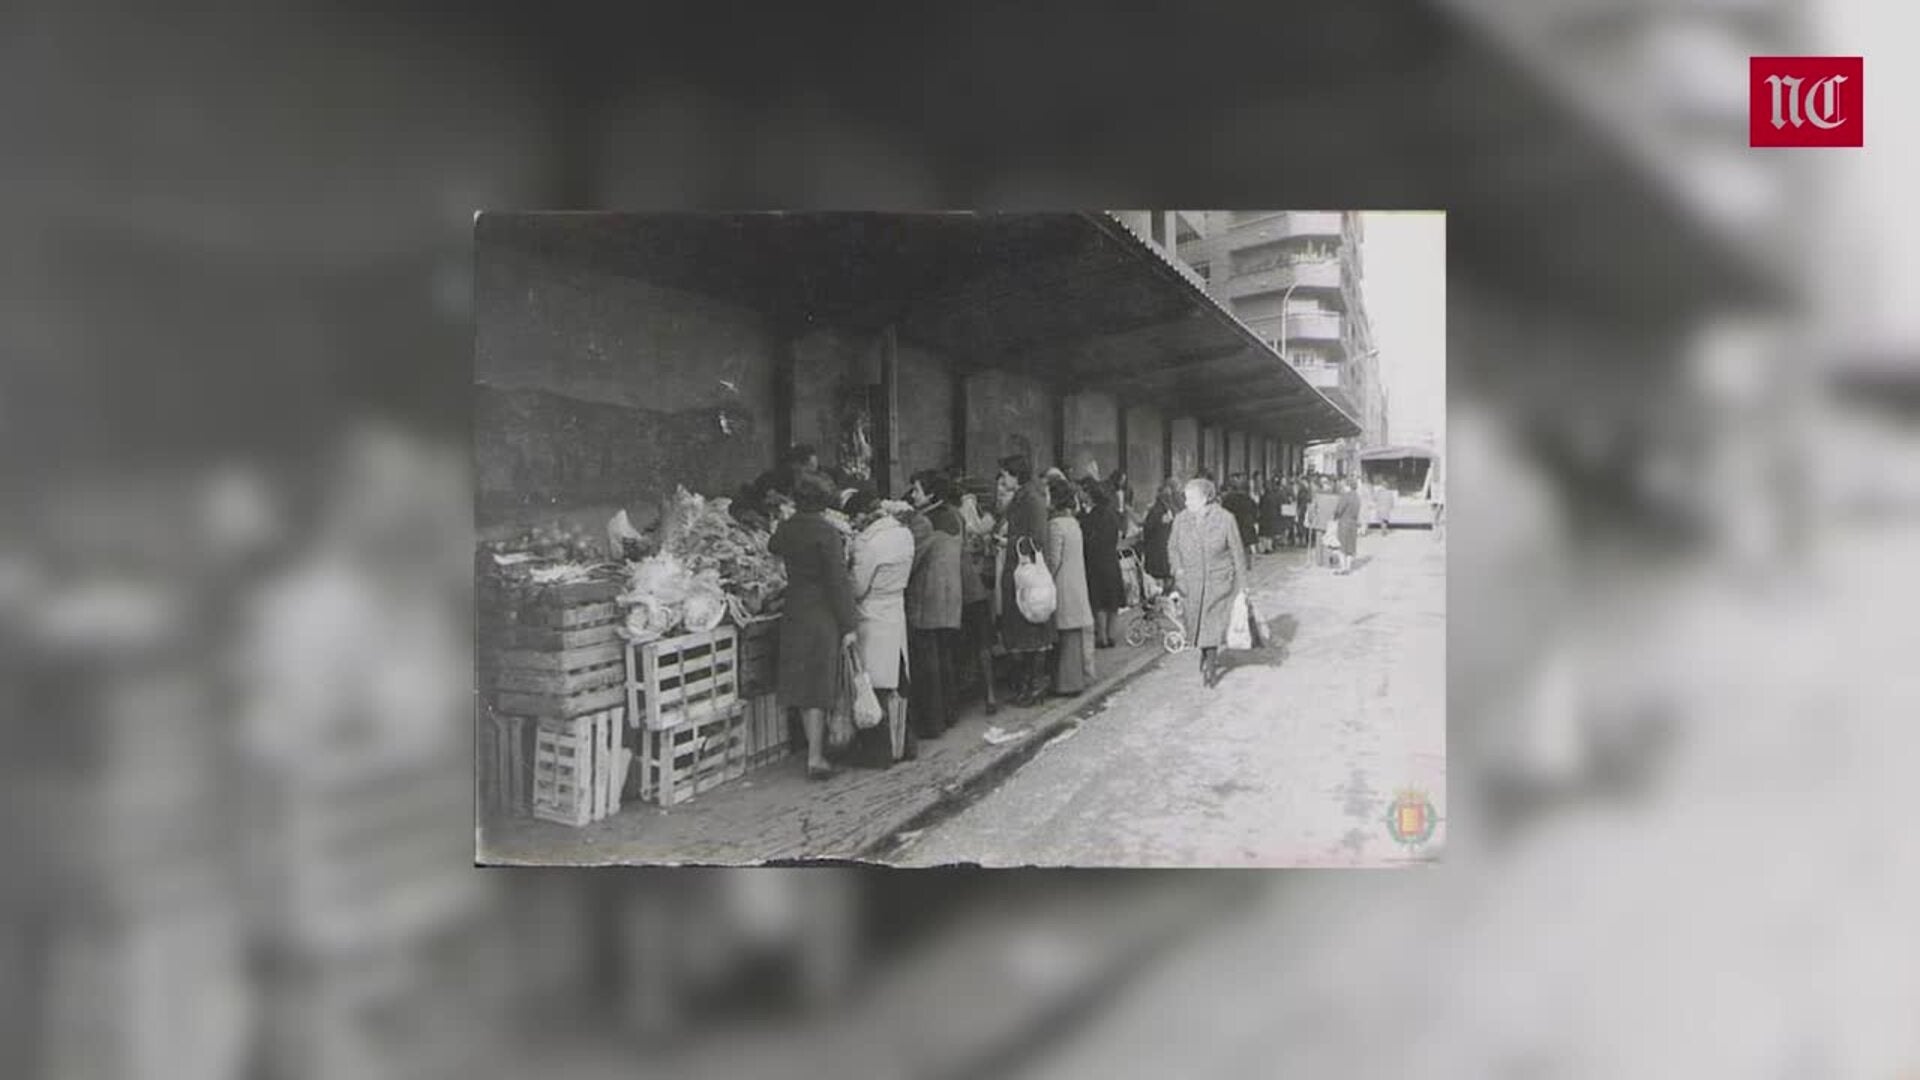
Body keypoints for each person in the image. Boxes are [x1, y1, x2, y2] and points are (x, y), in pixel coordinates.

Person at [767, 472, 860, 780]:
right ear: (824, 502)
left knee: (804, 685)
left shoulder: (787, 528)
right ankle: (816, 757)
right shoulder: (827, 533)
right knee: (819, 685)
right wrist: (849, 624)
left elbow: (773, 546)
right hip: (822, 614)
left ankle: (814, 751)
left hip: (795, 610)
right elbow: (838, 582)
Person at [846, 490, 917, 765]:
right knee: (898, 681)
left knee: (873, 685)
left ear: (862, 515)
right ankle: (905, 745)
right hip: (895, 610)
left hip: (872, 615)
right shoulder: (903, 533)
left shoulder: (868, 542)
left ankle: (881, 752)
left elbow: (858, 587)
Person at [1168, 476, 1248, 689]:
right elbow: (1173, 548)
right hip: (1191, 581)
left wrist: (1243, 586)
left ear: (1205, 498)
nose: (1186, 503)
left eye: (1190, 498)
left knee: (1211, 622)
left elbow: (1237, 552)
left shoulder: (1225, 519)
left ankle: (1211, 665)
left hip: (1218, 580)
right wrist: (1178, 570)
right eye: (1185, 499)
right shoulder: (1181, 519)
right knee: (1196, 622)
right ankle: (1205, 653)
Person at [905, 472, 963, 739]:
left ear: (930, 495)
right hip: (950, 596)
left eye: (916, 490)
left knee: (928, 663)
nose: (912, 495)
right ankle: (950, 714)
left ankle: (932, 723)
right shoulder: (954, 516)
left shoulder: (923, 522)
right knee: (945, 657)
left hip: (927, 597)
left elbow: (910, 560)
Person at [996, 454, 1058, 707]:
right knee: (1022, 634)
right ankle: (1027, 686)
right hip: (1018, 574)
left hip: (1028, 576)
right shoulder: (1022, 498)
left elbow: (1037, 540)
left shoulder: (1032, 500)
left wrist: (1007, 543)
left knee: (1031, 630)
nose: (1002, 480)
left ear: (1016, 475)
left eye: (1005, 475)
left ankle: (1035, 686)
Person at [1046, 477, 1095, 695]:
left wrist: (1045, 579)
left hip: (1063, 585)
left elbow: (1054, 560)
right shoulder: (1073, 524)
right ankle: (1078, 680)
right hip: (1076, 583)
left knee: (1065, 637)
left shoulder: (1055, 525)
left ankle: (1067, 684)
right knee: (1074, 635)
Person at [955, 482, 1000, 715]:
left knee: (963, 644)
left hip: (960, 590)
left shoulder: (954, 520)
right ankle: (989, 694)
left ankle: (965, 693)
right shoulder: (981, 523)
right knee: (983, 643)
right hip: (978, 588)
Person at [1078, 477, 1125, 649]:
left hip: (1095, 562)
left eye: (1081, 492)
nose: (1079, 495)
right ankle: (1111, 636)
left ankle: (1102, 637)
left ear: (1089, 494)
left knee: (1098, 600)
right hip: (1111, 559)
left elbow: (1086, 540)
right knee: (1112, 599)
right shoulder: (1111, 511)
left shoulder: (1091, 516)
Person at [1141, 478, 1180, 592]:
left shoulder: (1156, 510)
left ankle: (1162, 597)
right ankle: (1168, 597)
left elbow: (1148, 527)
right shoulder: (1172, 509)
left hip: (1157, 549)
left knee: (1159, 577)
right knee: (1167, 575)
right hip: (1166, 548)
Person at [1220, 474, 1259, 555]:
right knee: (1245, 549)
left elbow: (1223, 513)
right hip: (1246, 528)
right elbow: (1255, 513)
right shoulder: (1248, 499)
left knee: (1233, 550)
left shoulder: (1228, 499)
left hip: (1233, 527)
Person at [1334, 476, 1362, 574]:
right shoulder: (1357, 497)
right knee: (1351, 546)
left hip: (1344, 523)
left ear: (1348, 486)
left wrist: (1335, 516)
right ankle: (1349, 567)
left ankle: (1343, 567)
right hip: (1353, 523)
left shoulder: (1345, 496)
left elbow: (1339, 509)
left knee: (1342, 546)